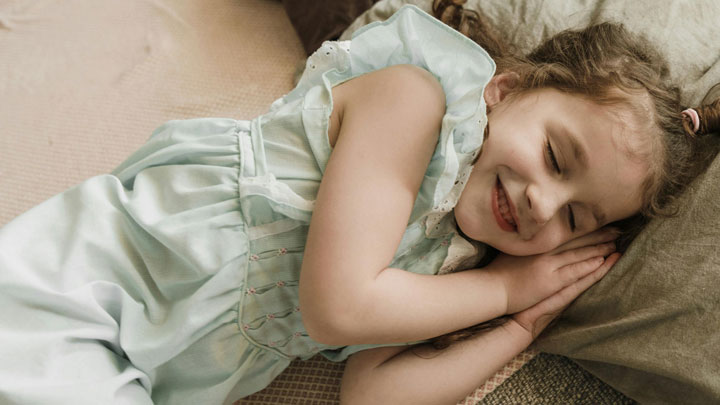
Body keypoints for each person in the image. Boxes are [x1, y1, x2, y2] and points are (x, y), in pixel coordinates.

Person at [0, 4, 717, 405]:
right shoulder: (412, 101)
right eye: (558, 158)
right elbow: (337, 307)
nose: (542, 202)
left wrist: (517, 323)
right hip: (78, 295)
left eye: (574, 219)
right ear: (507, 89)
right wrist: (504, 286)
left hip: (134, 374)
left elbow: (374, 395)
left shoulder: (442, 272)